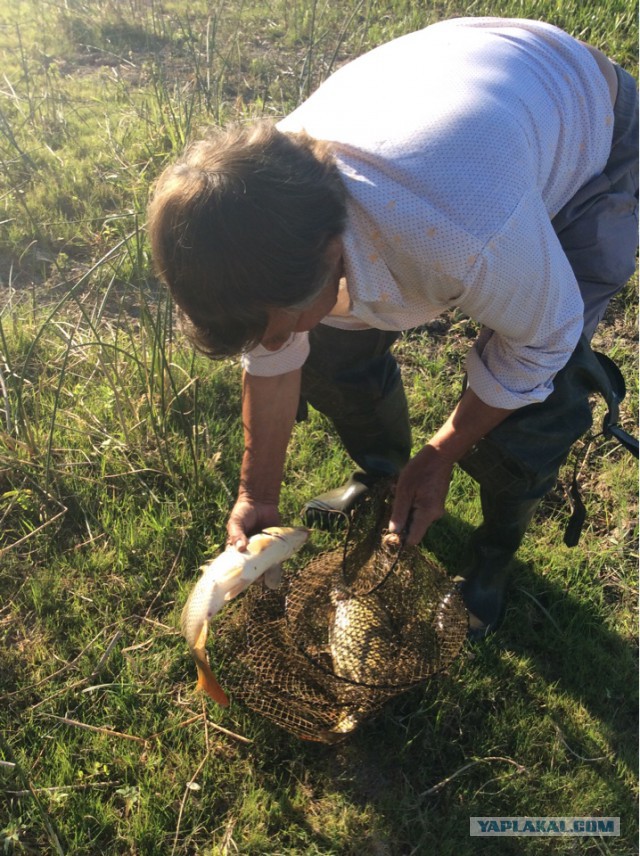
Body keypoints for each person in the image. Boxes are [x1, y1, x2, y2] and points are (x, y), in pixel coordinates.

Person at [147, 17, 638, 638]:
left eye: (276, 329)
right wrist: (257, 498)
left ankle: (491, 560)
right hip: (461, 93)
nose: (273, 345)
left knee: (537, 403)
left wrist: (441, 454)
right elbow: (274, 354)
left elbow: (542, 340)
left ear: (331, 254)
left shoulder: (463, 234)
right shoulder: (271, 207)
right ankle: (383, 479)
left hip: (586, 117)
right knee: (327, 355)